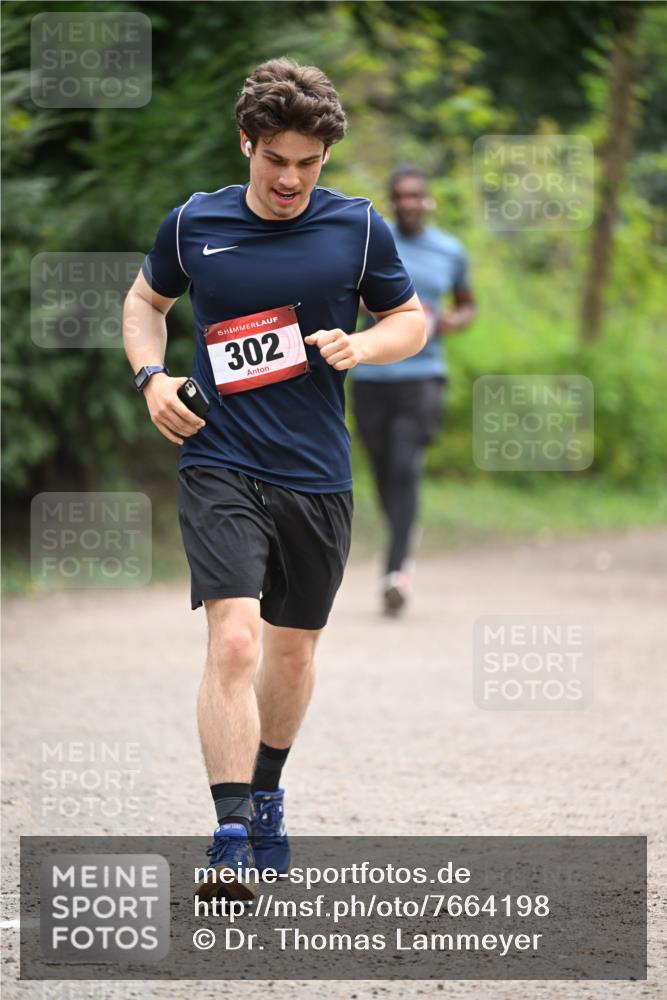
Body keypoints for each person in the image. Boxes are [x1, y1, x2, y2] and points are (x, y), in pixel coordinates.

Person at [122, 59, 425, 889]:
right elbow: (145, 302)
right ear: (246, 142)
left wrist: (360, 344)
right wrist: (152, 379)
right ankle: (227, 838)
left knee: (290, 656)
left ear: (325, 157)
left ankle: (265, 798)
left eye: (309, 162)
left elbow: (409, 318)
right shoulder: (194, 223)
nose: (290, 178)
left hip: (315, 472)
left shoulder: (357, 229)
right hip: (220, 458)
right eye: (275, 159)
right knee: (235, 639)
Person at [351, 166, 475, 617]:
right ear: (390, 199)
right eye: (399, 196)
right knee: (384, 469)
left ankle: (395, 569)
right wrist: (372, 302)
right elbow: (347, 295)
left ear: (427, 200)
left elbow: (467, 305)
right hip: (371, 375)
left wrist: (447, 322)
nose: (407, 203)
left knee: (405, 464)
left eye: (414, 196)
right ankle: (403, 530)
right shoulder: (373, 244)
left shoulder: (450, 251)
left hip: (424, 374)